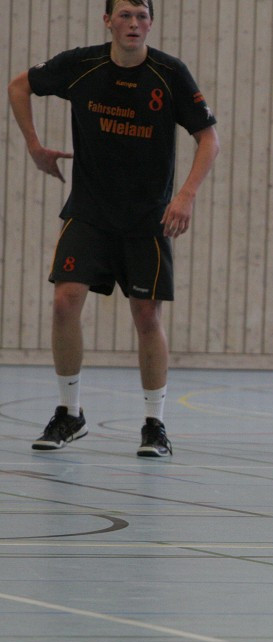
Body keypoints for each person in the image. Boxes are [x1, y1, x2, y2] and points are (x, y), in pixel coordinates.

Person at [8, 0, 219, 457]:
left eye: (142, 16)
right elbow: (19, 86)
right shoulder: (80, 66)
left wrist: (185, 196)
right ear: (108, 21)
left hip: (147, 218)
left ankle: (155, 424)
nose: (134, 24)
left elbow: (209, 138)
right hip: (89, 211)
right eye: (125, 15)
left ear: (150, 24)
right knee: (65, 301)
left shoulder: (170, 74)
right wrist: (34, 146)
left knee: (146, 316)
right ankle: (70, 413)